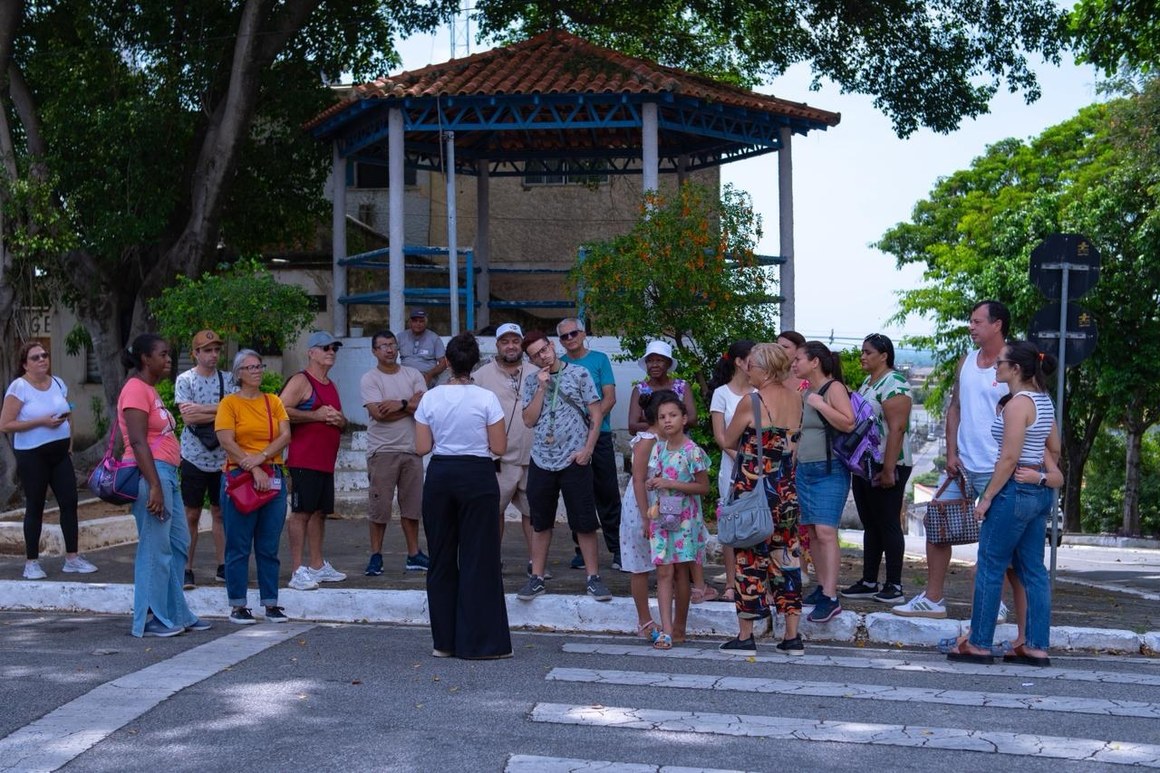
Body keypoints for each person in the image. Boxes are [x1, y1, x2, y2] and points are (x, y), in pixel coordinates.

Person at [895, 301, 1011, 620]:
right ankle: (933, 598)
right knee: (937, 525)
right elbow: (955, 407)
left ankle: (994, 602)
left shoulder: (1013, 362)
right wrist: (951, 452)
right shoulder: (967, 361)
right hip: (961, 465)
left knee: (996, 538)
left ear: (997, 325)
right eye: (970, 321)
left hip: (998, 466)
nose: (971, 327)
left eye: (977, 322)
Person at [947, 341, 1057, 667]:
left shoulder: (1017, 405)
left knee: (990, 565)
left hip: (1013, 490)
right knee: (1033, 569)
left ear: (1016, 369)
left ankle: (979, 643)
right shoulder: (1043, 400)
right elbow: (1054, 446)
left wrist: (987, 498)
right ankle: (1036, 646)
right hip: (1036, 491)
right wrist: (1038, 469)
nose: (997, 367)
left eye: (1001, 363)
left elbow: (1008, 458)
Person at [414, 332, 511, 659]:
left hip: (441, 473)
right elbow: (499, 447)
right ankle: (480, 643)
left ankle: (443, 642)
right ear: (476, 363)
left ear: (447, 363)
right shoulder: (486, 398)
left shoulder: (430, 398)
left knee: (441, 557)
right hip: (477, 475)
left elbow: (422, 447)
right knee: (479, 557)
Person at [118, 333, 207, 637]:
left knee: (179, 542)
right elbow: (138, 441)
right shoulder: (134, 389)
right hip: (151, 474)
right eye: (163, 354)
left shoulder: (150, 390)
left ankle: (175, 612)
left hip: (167, 473)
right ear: (145, 358)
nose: (169, 359)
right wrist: (154, 485)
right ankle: (150, 616)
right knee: (155, 547)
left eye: (169, 354)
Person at [719, 343, 804, 654]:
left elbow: (727, 439)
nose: (747, 369)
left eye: (752, 365)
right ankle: (792, 637)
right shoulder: (796, 399)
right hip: (786, 491)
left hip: (755, 493)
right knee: (787, 559)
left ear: (766, 370)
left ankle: (746, 636)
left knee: (749, 560)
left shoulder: (751, 402)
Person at [516, 330, 612, 602]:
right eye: (536, 355)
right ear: (531, 360)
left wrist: (588, 450)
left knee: (584, 521)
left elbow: (596, 414)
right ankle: (537, 577)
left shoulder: (580, 374)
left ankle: (593, 578)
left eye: (544, 350)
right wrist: (541, 388)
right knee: (540, 521)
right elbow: (529, 420)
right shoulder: (532, 381)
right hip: (541, 459)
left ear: (552, 346)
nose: (543, 356)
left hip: (574, 458)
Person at [1, 342, 96, 579]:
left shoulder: (58, 383)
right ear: (25, 364)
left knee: (69, 501)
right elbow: (5, 424)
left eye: (44, 355)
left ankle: (72, 558)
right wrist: (41, 422)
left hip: (60, 454)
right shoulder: (19, 387)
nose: (42, 359)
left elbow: (68, 414)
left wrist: (70, 445)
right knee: (36, 505)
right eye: (35, 357)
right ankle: (31, 563)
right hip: (32, 455)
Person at [215, 350, 292, 624]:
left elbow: (285, 435)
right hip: (241, 477)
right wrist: (254, 467)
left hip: (271, 474)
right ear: (239, 374)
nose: (257, 371)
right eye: (250, 367)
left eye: (259, 366)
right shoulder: (229, 404)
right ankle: (238, 604)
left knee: (269, 545)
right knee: (238, 544)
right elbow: (227, 441)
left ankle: (270, 602)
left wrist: (261, 458)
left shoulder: (273, 401)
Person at [841, 333, 913, 605]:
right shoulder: (868, 382)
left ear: (884, 356)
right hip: (865, 462)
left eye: (868, 352)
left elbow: (897, 428)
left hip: (889, 462)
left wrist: (889, 469)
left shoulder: (895, 383)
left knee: (888, 522)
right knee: (870, 523)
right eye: (862, 351)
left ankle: (894, 584)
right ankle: (869, 580)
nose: (862, 356)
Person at [792, 341, 855, 623]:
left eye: (798, 359)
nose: (794, 364)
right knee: (813, 532)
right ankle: (822, 587)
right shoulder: (807, 391)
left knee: (826, 531)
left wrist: (819, 404)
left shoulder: (833, 388)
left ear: (815, 361)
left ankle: (831, 596)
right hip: (805, 469)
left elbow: (848, 422)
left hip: (830, 469)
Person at [281, 331, 348, 591]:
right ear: (311, 352)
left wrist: (340, 420)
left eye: (334, 348)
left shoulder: (331, 385)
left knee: (320, 513)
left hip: (325, 461)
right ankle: (297, 569)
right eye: (325, 348)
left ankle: (317, 565)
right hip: (304, 460)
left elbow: (339, 418)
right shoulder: (301, 380)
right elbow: (279, 410)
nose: (331, 352)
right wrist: (315, 416)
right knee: (301, 513)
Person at [359, 330, 429, 576]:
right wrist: (410, 406)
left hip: (412, 449)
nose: (389, 349)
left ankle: (414, 554)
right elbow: (378, 414)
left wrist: (399, 404)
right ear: (374, 351)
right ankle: (376, 555)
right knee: (380, 507)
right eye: (383, 345)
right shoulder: (370, 379)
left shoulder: (413, 374)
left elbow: (424, 405)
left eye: (392, 344)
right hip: (383, 451)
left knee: (412, 507)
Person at [644, 392, 710, 649]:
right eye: (662, 417)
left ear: (684, 418)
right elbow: (656, 477)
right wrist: (654, 483)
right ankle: (667, 630)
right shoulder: (658, 448)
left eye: (672, 415)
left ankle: (679, 626)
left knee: (682, 570)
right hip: (661, 516)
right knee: (663, 570)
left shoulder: (693, 452)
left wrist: (671, 483)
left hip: (685, 519)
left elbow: (703, 487)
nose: (667, 421)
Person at [473, 322, 538, 575]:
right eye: (505, 341)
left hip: (533, 456)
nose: (511, 346)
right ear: (497, 345)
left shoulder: (537, 372)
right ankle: (492, 561)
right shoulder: (481, 376)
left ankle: (536, 564)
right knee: (493, 512)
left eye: (515, 341)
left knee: (534, 513)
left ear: (522, 344)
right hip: (497, 459)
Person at [557, 317, 622, 571]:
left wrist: (592, 422)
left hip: (601, 435)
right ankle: (582, 552)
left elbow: (610, 397)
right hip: (571, 440)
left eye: (573, 333)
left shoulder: (600, 360)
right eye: (564, 336)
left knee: (608, 493)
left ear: (583, 334)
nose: (570, 339)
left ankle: (618, 549)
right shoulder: (559, 364)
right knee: (577, 495)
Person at [175, 329, 236, 589]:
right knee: (191, 513)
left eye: (216, 350)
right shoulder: (185, 380)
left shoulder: (228, 379)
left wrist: (203, 409)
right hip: (194, 455)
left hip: (222, 457)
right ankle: (186, 568)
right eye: (207, 350)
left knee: (220, 513)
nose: (213, 355)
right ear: (196, 353)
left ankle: (223, 566)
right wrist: (219, 410)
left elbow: (234, 411)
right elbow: (188, 417)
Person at [708, 340, 757, 603]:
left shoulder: (761, 392)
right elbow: (721, 437)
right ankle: (730, 583)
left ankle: (757, 581)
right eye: (752, 358)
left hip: (759, 468)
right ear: (739, 362)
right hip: (732, 467)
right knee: (729, 524)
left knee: (757, 522)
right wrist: (743, 459)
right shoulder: (721, 394)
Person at [620, 391, 665, 640]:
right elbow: (638, 479)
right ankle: (644, 620)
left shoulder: (669, 440)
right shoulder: (647, 441)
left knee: (664, 563)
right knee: (640, 565)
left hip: (662, 504)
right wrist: (645, 517)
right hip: (642, 505)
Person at [626, 340, 696, 433]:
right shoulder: (640, 390)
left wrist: (648, 421)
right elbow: (632, 426)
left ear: (668, 363)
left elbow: (692, 419)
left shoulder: (682, 386)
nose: (654, 365)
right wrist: (674, 421)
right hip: (649, 441)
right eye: (650, 361)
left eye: (659, 360)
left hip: (678, 440)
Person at [397, 308, 447, 388]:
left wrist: (430, 374)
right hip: (404, 376)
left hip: (426, 376)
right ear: (410, 322)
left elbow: (443, 363)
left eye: (421, 321)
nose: (418, 324)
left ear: (426, 323)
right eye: (415, 321)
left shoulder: (434, 338)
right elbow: (390, 354)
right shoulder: (400, 337)